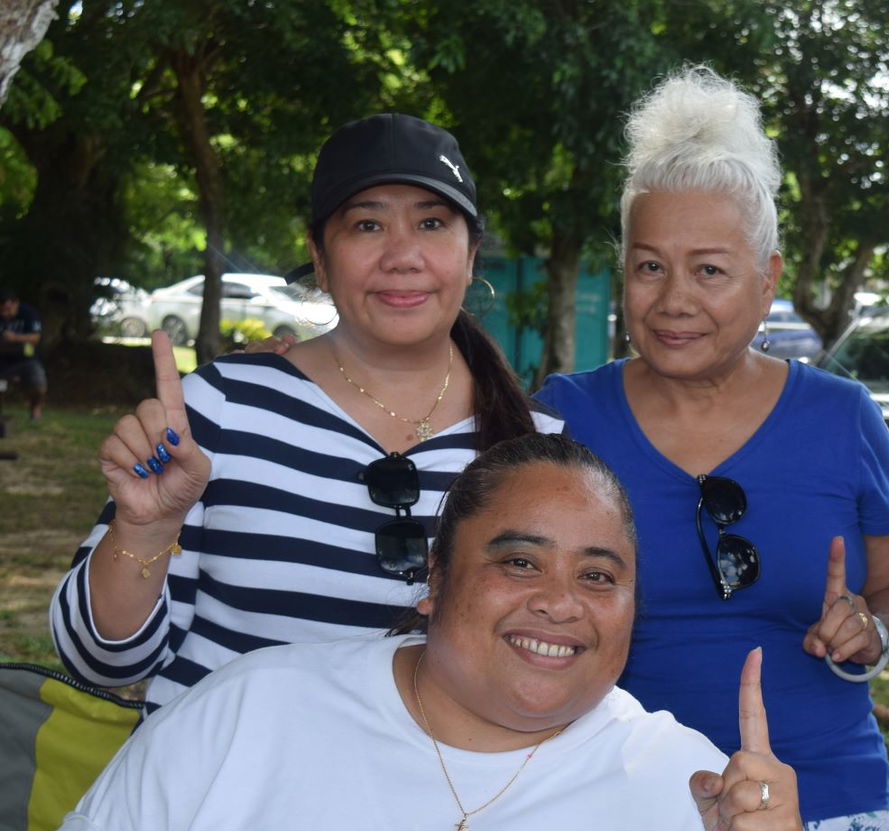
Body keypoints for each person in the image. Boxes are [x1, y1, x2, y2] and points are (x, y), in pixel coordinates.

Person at [30, 433, 844, 831]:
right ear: (435, 578)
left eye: (599, 577)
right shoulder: (255, 707)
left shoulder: (692, 787)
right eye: (519, 562)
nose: (560, 603)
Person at [535, 68, 889, 831]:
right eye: (647, 267)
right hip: (613, 805)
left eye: (708, 270)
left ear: (767, 275)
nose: (672, 300)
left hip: (820, 810)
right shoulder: (565, 415)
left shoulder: (842, 418)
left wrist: (868, 632)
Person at [50, 113, 559, 710]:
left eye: (431, 223)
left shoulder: (537, 449)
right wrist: (146, 528)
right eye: (367, 225)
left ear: (471, 254)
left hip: (432, 801)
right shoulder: (219, 407)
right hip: (215, 793)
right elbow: (100, 661)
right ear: (319, 257)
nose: (403, 255)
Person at [0, 289, 45, 421]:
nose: (5, 313)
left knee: (38, 383)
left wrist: (14, 338)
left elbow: (36, 338)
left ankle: (35, 409)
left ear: (16, 304)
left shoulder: (29, 313)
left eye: (8, 309)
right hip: (2, 359)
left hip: (26, 359)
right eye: (2, 310)